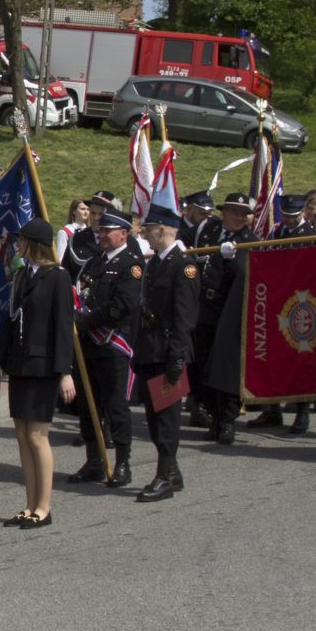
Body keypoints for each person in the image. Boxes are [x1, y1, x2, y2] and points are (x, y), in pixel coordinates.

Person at [2, 219, 77, 528]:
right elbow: (11, 321)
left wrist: (64, 371)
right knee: (22, 435)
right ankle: (29, 503)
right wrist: (0, 363)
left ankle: (43, 506)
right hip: (20, 363)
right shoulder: (21, 275)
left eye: (22, 240)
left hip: (44, 365)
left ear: (34, 244)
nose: (18, 245)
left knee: (37, 435)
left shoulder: (57, 277)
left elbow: (62, 326)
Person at [133, 202, 201, 503]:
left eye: (148, 229)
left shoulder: (182, 266)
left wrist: (177, 357)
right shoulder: (157, 262)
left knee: (166, 418)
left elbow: (184, 317)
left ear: (162, 229)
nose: (144, 234)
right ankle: (171, 470)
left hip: (167, 352)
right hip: (151, 349)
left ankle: (164, 475)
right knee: (153, 415)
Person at [70, 207, 140, 486]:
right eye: (100, 230)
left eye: (107, 231)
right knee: (89, 404)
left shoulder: (130, 264)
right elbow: (84, 293)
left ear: (123, 234)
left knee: (115, 405)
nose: (101, 235)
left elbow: (123, 305)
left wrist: (87, 319)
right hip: (88, 343)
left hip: (112, 344)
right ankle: (95, 460)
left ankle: (122, 462)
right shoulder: (95, 262)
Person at [198, 193, 256, 445]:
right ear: (224, 213)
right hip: (204, 307)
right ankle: (214, 414)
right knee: (202, 365)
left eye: (243, 213)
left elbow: (248, 276)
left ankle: (227, 420)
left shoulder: (249, 241)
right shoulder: (210, 232)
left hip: (231, 311)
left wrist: (231, 260)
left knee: (227, 370)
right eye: (234, 211)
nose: (238, 217)